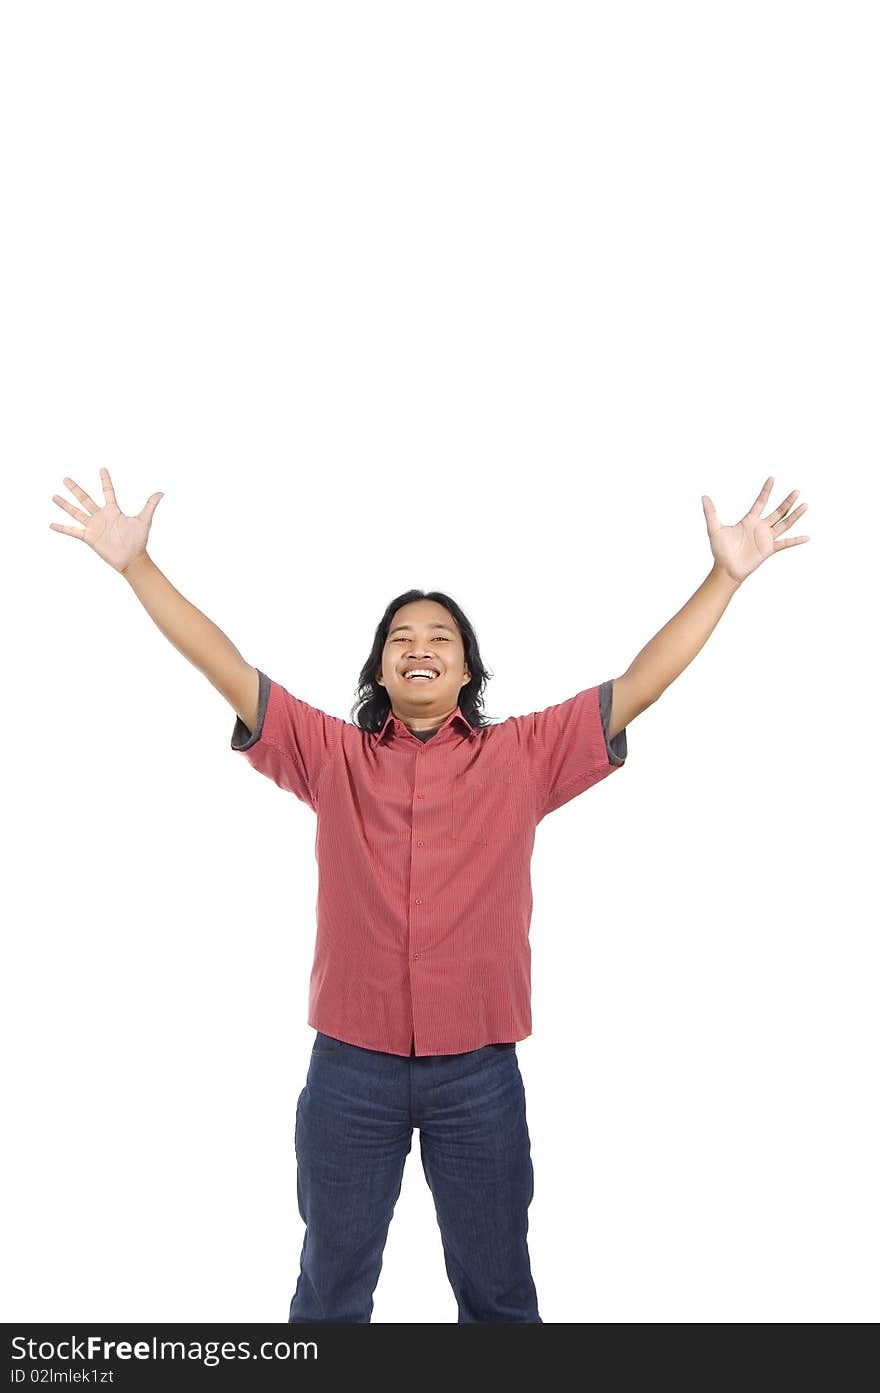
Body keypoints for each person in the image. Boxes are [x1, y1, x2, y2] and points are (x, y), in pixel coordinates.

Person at [49, 469, 809, 1322]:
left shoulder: (522, 755)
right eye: (402, 635)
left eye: (440, 636)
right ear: (380, 664)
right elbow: (228, 666)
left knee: (499, 1300)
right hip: (348, 1071)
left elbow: (642, 683)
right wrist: (136, 566)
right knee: (329, 1295)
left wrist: (726, 576)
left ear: (466, 669)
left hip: (479, 1073)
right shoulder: (328, 754)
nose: (420, 645)